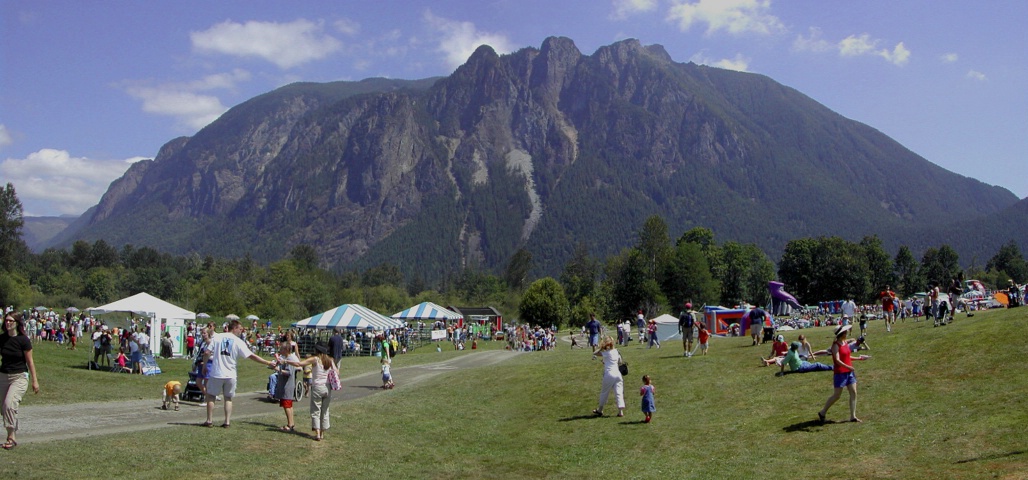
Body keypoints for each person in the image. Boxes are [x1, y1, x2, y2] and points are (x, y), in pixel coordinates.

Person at [202, 319, 275, 428]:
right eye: (240, 329)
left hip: (217, 372)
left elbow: (207, 352)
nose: (241, 331)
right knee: (228, 398)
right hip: (230, 373)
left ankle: (209, 420)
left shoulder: (217, 337)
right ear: (234, 328)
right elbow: (251, 355)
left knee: (211, 396)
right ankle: (227, 422)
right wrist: (267, 362)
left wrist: (204, 365)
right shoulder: (238, 341)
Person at [280, 344, 336, 441]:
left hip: (317, 387)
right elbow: (337, 372)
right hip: (327, 387)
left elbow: (299, 364)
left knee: (316, 410)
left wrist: (286, 361)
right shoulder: (330, 360)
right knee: (325, 410)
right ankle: (322, 433)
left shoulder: (315, 359)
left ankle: (317, 433)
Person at [1, 312, 40, 450]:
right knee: (4, 408)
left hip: (19, 377)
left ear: (17, 323)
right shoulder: (2, 339)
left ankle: (11, 438)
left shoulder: (23, 340)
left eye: (11, 321)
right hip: (4, 376)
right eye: (6, 321)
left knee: (9, 405)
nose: (8, 323)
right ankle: (12, 432)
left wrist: (35, 381)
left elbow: (30, 362)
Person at [818, 325, 861, 423]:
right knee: (837, 395)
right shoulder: (835, 345)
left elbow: (847, 357)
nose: (847, 333)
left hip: (849, 372)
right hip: (840, 373)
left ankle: (853, 416)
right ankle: (822, 412)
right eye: (845, 332)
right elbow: (837, 360)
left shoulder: (845, 342)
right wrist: (848, 367)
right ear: (841, 334)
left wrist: (858, 358)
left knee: (853, 392)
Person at [591, 336, 625, 417]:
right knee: (619, 392)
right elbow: (619, 362)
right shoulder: (616, 351)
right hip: (617, 374)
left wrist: (601, 347)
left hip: (609, 374)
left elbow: (595, 353)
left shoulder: (606, 353)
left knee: (604, 392)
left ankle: (600, 410)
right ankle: (620, 412)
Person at [272, 341, 299, 432]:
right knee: (288, 405)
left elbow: (289, 372)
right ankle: (291, 423)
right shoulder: (286, 358)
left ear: (287, 349)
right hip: (286, 385)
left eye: (281, 349)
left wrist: (277, 369)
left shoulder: (290, 359)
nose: (280, 350)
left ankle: (290, 425)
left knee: (287, 405)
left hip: (287, 386)